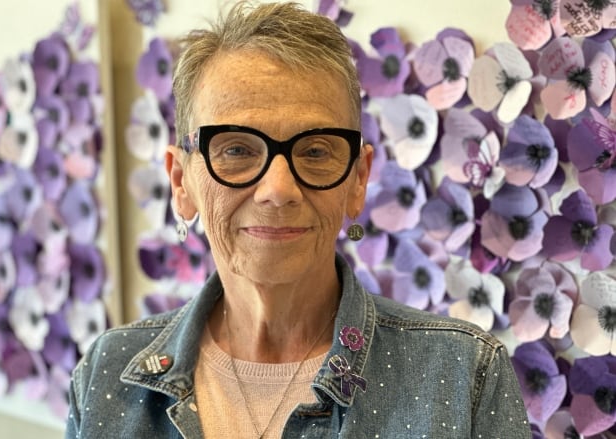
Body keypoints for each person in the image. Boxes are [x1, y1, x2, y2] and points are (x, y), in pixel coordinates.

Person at [66, 2, 530, 438]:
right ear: (181, 181)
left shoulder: (462, 377)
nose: (278, 191)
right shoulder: (106, 374)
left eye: (315, 151)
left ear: (358, 179)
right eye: (236, 150)